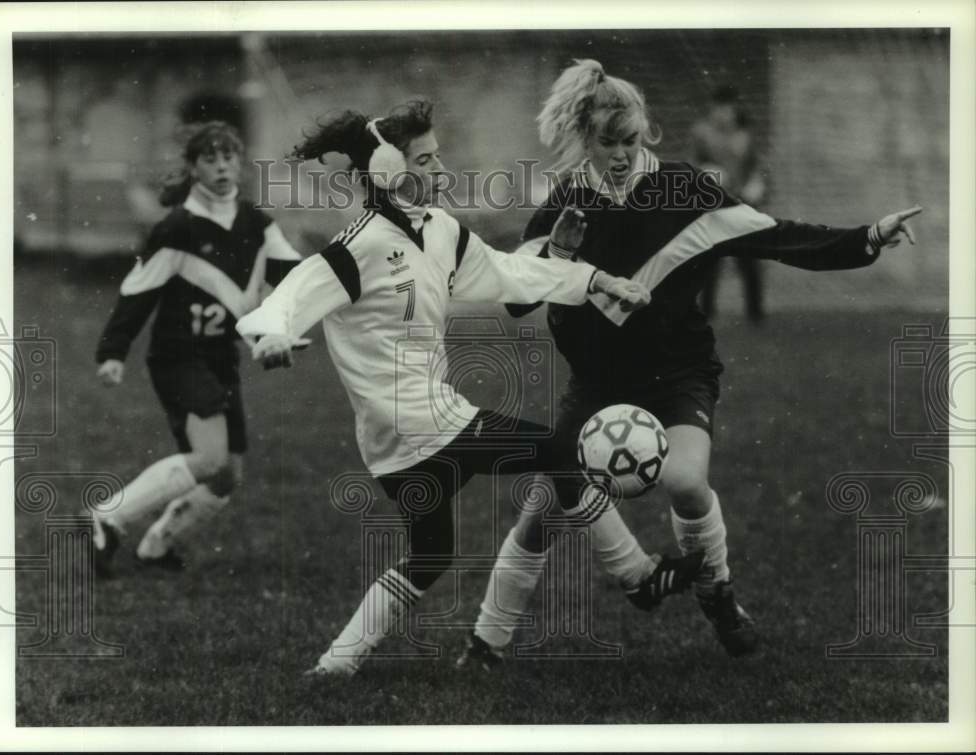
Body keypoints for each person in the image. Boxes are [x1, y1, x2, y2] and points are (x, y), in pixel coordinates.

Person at [458, 59, 922, 667]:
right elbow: (518, 301)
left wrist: (866, 238)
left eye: (631, 140)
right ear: (582, 140)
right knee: (544, 509)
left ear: (646, 133)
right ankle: (487, 642)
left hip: (677, 372)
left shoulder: (687, 191)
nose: (622, 154)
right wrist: (561, 251)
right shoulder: (565, 204)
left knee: (684, 480)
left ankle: (717, 591)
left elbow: (775, 234)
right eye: (607, 143)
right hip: (597, 384)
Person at [234, 100, 666, 677]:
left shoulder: (440, 231)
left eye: (439, 156)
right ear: (389, 171)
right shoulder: (357, 247)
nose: (441, 169)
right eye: (427, 159)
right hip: (422, 421)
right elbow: (285, 300)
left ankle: (334, 666)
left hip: (401, 436)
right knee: (562, 450)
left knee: (433, 554)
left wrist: (588, 274)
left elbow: (510, 275)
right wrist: (271, 337)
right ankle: (636, 574)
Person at [92, 121, 302, 576]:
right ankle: (109, 515)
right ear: (192, 168)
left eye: (228, 156)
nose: (222, 166)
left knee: (226, 477)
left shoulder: (257, 224)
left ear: (240, 163)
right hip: (177, 357)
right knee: (208, 458)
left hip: (220, 358)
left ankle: (155, 546)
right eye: (209, 158)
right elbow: (138, 290)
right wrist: (113, 350)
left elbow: (301, 279)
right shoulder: (178, 228)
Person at [692, 84, 768, 322]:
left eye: (728, 108)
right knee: (710, 260)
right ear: (712, 109)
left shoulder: (744, 133)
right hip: (713, 205)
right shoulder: (702, 132)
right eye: (719, 108)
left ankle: (755, 314)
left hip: (741, 204)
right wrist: (707, 173)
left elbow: (757, 166)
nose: (724, 113)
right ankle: (706, 313)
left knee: (749, 259)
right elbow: (693, 164)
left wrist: (756, 183)